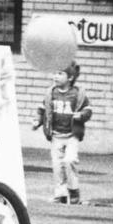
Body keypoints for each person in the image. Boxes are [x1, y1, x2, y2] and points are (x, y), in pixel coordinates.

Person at [35, 61, 92, 205]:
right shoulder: (51, 93)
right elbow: (43, 109)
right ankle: (60, 194)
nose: (56, 76)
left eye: (60, 73)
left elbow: (88, 109)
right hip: (56, 135)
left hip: (71, 135)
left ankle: (73, 191)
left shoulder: (77, 94)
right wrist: (37, 121)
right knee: (57, 165)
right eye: (55, 73)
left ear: (70, 78)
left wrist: (82, 115)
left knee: (70, 160)